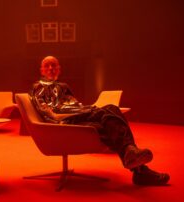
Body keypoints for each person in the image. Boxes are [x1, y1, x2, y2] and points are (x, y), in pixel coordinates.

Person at [29, 55, 170, 185]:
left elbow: (74, 103)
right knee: (112, 111)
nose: (51, 68)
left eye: (54, 65)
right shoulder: (38, 87)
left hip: (78, 116)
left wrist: (82, 109)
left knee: (110, 123)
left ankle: (137, 166)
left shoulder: (63, 86)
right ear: (41, 70)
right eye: (47, 66)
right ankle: (139, 169)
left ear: (59, 69)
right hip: (65, 122)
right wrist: (70, 115)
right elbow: (45, 110)